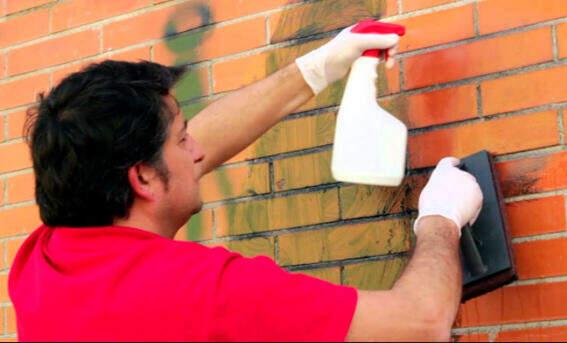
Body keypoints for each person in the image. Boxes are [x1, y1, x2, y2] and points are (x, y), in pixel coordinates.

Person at [9, 23, 482, 341]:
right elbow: (421, 322)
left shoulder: (40, 264)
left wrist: (316, 69)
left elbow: (198, 148)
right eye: (181, 138)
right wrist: (440, 220)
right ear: (143, 179)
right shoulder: (203, 291)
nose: (197, 150)